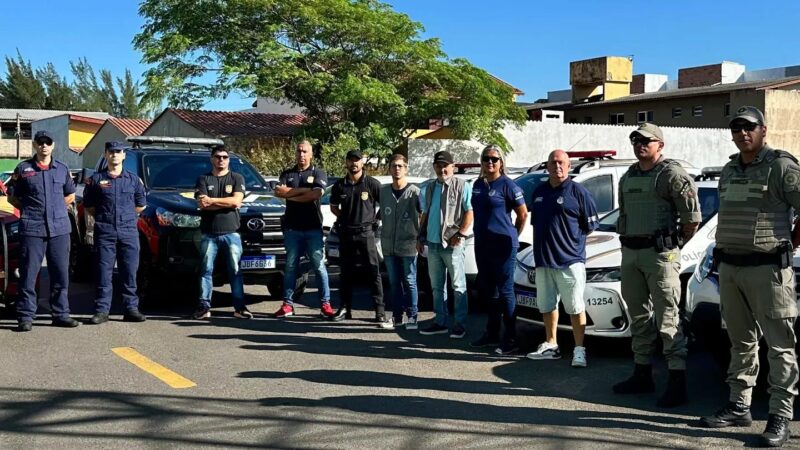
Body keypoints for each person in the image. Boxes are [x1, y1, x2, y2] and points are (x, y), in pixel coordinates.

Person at [699, 106, 798, 447]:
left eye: (749, 127)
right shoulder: (728, 169)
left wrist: (786, 245)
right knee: (740, 342)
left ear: (763, 130)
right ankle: (739, 406)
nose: (743, 132)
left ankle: (780, 416)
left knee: (779, 346)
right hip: (731, 268)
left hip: (768, 270)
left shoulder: (781, 166)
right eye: (737, 127)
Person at [612, 123, 700, 408]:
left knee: (668, 318)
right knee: (638, 316)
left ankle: (677, 382)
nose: (640, 144)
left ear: (660, 145)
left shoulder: (671, 174)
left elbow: (691, 220)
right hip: (632, 253)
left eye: (647, 141)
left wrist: (674, 247)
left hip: (661, 255)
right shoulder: (629, 175)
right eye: (636, 140)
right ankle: (642, 374)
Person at [524, 149, 598, 366]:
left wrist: (570, 243)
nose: (558, 166)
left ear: (569, 166)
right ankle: (551, 344)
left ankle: (579, 349)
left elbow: (590, 225)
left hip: (570, 261)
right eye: (553, 162)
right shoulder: (539, 193)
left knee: (575, 307)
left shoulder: (579, 193)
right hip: (544, 261)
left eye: (562, 163)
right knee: (547, 306)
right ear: (547, 166)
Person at [6, 130, 78, 332]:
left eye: (47, 142)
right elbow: (13, 198)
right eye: (40, 142)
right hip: (32, 228)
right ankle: (26, 316)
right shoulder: (23, 169)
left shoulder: (62, 169)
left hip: (59, 229)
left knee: (60, 274)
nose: (44, 146)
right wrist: (31, 210)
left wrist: (54, 210)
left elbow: (70, 196)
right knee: (28, 274)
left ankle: (61, 314)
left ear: (53, 145)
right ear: (35, 145)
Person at [468, 145, 528, 354]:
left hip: (503, 245)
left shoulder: (509, 186)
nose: (490, 162)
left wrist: (513, 236)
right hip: (483, 244)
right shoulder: (477, 184)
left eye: (494, 159)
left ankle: (510, 338)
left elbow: (522, 216)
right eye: (486, 159)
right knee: (489, 290)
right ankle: (491, 334)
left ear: (501, 162)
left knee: (505, 291)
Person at [83, 141, 147, 324]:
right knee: (104, 272)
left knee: (129, 271)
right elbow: (89, 206)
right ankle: (102, 311)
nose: (114, 155)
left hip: (128, 231)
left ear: (124, 155)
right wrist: (107, 218)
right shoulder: (96, 180)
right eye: (111, 152)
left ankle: (131, 309)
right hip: (105, 231)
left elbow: (140, 205)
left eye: (118, 152)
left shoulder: (133, 180)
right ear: (105, 154)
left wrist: (124, 217)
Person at [272, 140, 334, 319]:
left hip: (313, 228)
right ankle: (287, 305)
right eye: (299, 151)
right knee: (291, 267)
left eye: (305, 151)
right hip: (292, 228)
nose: (301, 154)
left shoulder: (318, 173)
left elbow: (316, 194)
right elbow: (278, 192)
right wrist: (303, 193)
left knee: (319, 266)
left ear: (311, 154)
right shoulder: (287, 173)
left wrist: (291, 194)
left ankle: (325, 305)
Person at [329, 149, 388, 327]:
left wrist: (375, 221)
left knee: (373, 272)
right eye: (351, 160)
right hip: (347, 233)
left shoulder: (371, 183)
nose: (354, 163)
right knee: (346, 273)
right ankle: (345, 308)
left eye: (357, 160)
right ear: (346, 163)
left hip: (366, 233)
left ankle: (379, 310)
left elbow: (384, 205)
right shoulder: (340, 185)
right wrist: (344, 218)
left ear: (362, 163)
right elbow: (333, 207)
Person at [418, 151, 474, 339]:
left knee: (458, 286)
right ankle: (439, 322)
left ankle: (460, 324)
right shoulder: (431, 187)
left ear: (453, 166)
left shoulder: (462, 185)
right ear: (434, 167)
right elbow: (425, 213)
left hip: (453, 243)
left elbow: (469, 212)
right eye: (438, 165)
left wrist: (461, 234)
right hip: (433, 244)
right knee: (436, 286)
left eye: (445, 165)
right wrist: (420, 236)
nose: (442, 169)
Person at [191, 146, 250, 320]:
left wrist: (213, 200)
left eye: (225, 157)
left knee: (235, 271)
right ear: (212, 159)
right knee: (206, 271)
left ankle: (240, 307)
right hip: (209, 233)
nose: (221, 160)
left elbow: (236, 202)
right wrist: (222, 202)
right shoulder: (203, 179)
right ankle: (204, 306)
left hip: (232, 233)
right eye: (218, 157)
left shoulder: (237, 178)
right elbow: (202, 204)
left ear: (229, 159)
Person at [380, 154, 423, 329]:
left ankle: (412, 316)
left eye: (400, 166)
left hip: (408, 245)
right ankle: (397, 317)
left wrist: (420, 237)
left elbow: (423, 215)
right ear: (389, 169)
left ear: (406, 168)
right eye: (393, 166)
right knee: (394, 282)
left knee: (410, 280)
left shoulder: (415, 192)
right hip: (389, 245)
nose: (397, 169)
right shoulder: (383, 192)